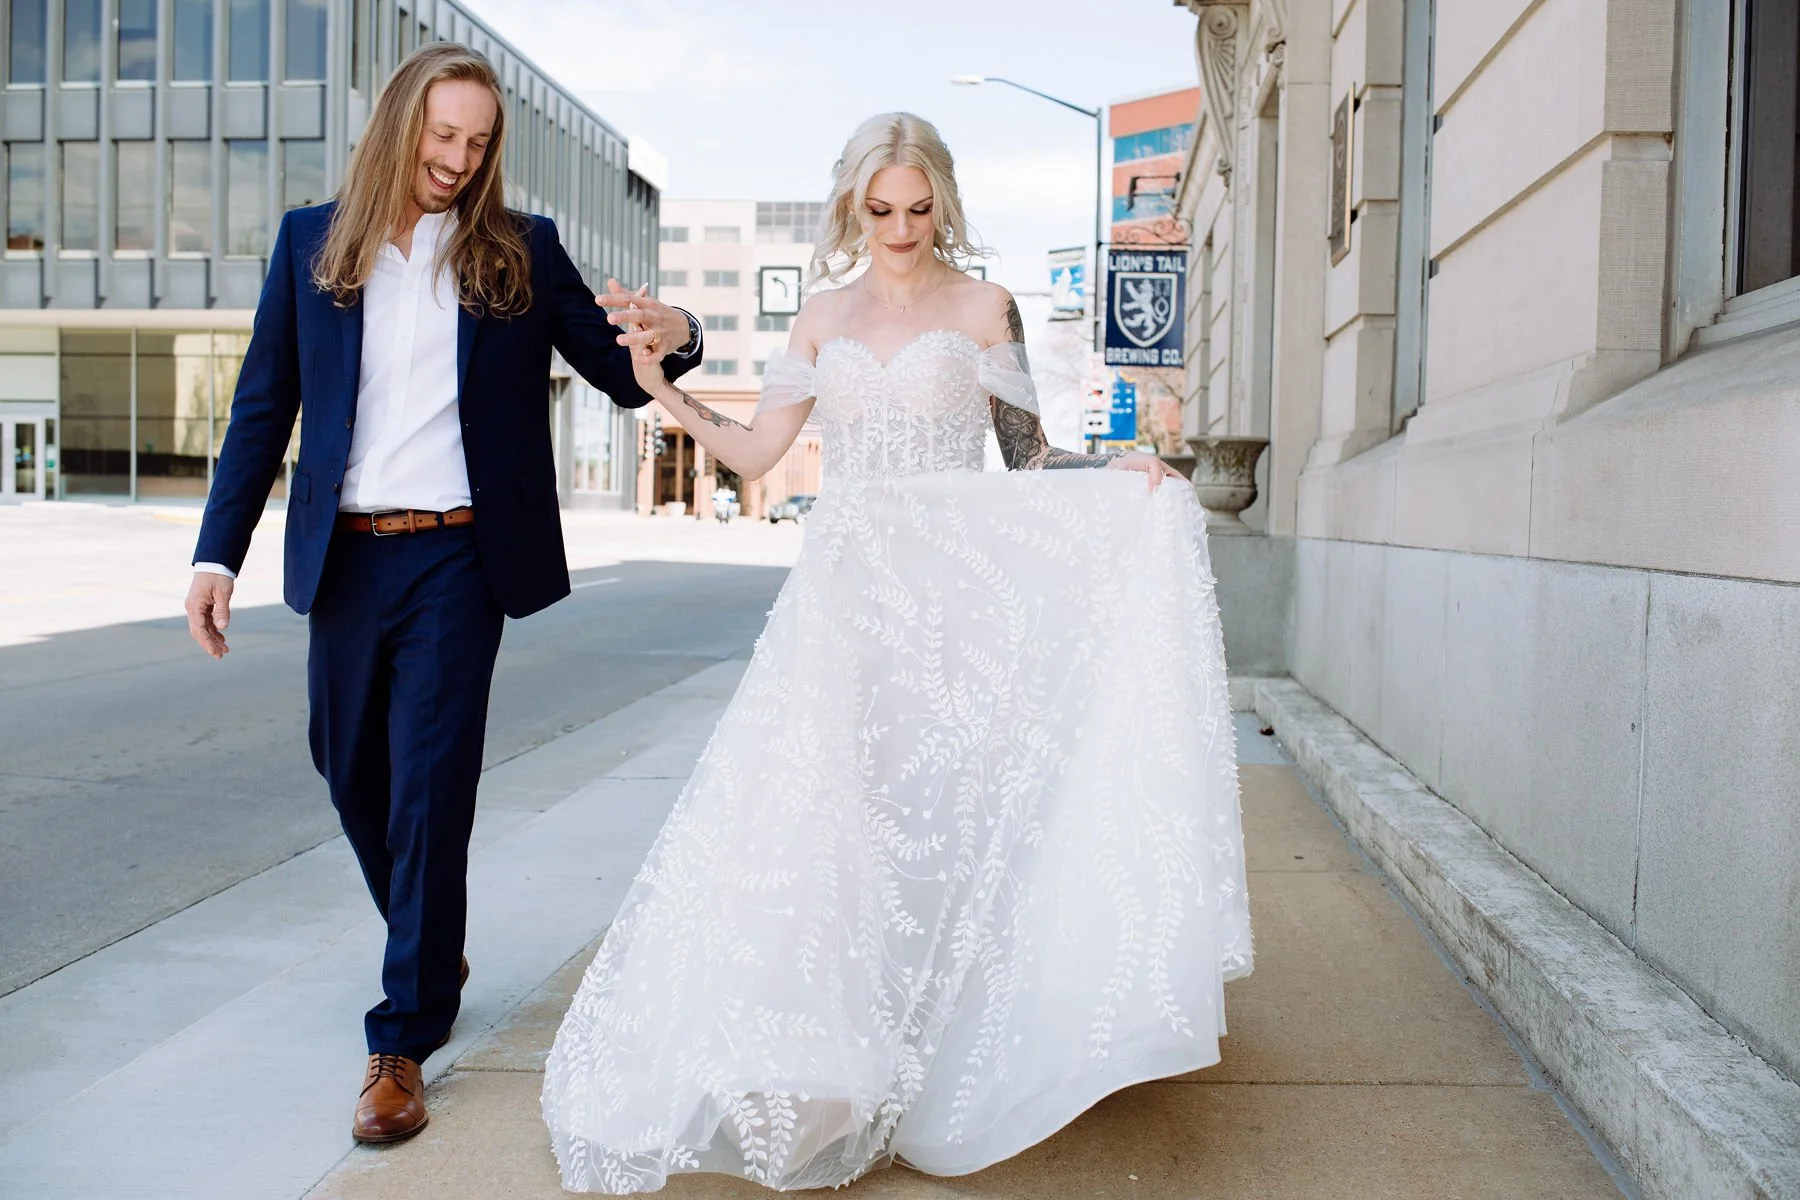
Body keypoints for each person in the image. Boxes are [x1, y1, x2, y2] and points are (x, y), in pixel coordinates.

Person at [542, 112, 1252, 1193]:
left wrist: (1120, 475)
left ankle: (952, 1035)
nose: (903, 228)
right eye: (882, 211)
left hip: (954, 604)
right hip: (845, 599)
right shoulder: (822, 318)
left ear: (944, 203)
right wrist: (664, 391)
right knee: (839, 818)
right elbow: (756, 451)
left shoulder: (983, 307)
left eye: (920, 210)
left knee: (943, 815)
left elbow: (1027, 456)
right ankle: (843, 1046)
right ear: (852, 207)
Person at [183, 43, 703, 1146]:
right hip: (349, 556)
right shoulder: (311, 242)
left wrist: (680, 336)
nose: (459, 160)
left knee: (430, 787)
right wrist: (215, 555)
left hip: (463, 559)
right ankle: (431, 938)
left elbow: (619, 375)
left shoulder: (521, 252)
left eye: (477, 143)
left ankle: (402, 1039)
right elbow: (261, 409)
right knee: (347, 764)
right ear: (401, 126)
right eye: (443, 137)